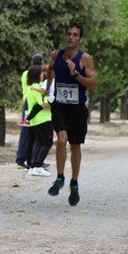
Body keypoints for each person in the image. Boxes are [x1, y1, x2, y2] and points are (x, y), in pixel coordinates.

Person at [45, 23, 98, 206]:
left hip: (77, 109)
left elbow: (93, 85)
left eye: (75, 34)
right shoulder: (56, 55)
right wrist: (47, 89)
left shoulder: (85, 59)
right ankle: (60, 178)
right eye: (68, 34)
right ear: (65, 36)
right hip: (60, 106)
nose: (71, 37)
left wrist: (76, 75)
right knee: (61, 139)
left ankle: (74, 182)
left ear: (80, 39)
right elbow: (51, 71)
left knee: (75, 146)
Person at [15, 54, 45, 167]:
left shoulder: (25, 73)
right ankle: (27, 159)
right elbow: (37, 88)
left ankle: (29, 159)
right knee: (30, 133)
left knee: (30, 133)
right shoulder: (36, 74)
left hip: (28, 102)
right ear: (41, 62)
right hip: (32, 104)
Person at [23, 66, 53, 176]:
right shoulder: (36, 89)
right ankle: (38, 166)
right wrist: (55, 104)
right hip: (43, 119)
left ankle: (34, 166)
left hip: (35, 121)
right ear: (37, 75)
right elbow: (43, 105)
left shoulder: (31, 88)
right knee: (47, 143)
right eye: (41, 73)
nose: (43, 75)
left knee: (40, 143)